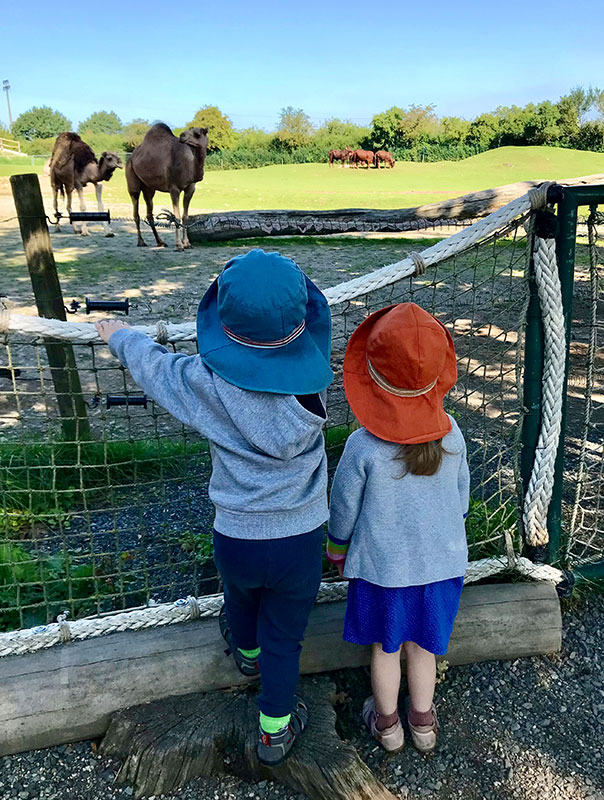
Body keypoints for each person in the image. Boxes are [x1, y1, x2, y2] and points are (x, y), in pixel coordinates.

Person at [95, 249, 333, 766]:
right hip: (301, 538)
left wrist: (117, 334)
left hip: (238, 536)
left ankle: (244, 655)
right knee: (286, 640)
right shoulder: (315, 388)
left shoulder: (204, 383)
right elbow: (305, 329)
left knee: (241, 602)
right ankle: (274, 731)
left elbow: (155, 368)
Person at [326, 302, 469, 754]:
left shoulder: (363, 445)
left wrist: (336, 549)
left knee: (387, 648)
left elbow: (343, 507)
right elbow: (462, 500)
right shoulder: (452, 433)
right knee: (423, 648)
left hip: (384, 569)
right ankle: (423, 724)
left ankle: (387, 726)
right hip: (440, 565)